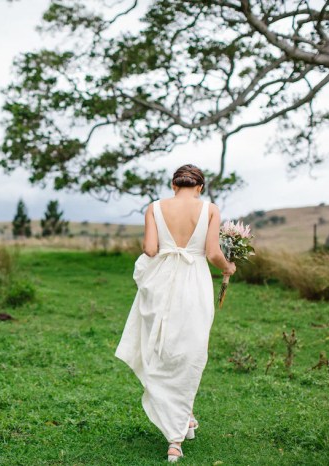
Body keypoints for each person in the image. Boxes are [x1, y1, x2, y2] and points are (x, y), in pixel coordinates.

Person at [114, 164, 236, 463]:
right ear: (200, 187)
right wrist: (228, 267)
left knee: (161, 347)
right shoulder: (210, 209)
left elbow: (150, 249)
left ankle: (184, 415)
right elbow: (212, 253)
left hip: (162, 282)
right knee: (190, 350)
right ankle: (175, 439)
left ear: (173, 185)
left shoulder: (154, 207)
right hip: (194, 281)